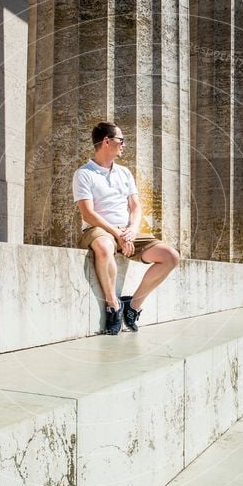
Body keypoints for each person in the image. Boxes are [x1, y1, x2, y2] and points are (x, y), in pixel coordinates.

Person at [73, 121, 180, 334]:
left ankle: (132, 306)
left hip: (126, 231)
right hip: (99, 230)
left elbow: (135, 206)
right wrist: (118, 233)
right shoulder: (84, 174)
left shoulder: (124, 173)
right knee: (104, 248)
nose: (124, 145)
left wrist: (132, 229)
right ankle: (113, 305)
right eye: (121, 140)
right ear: (106, 141)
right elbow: (88, 214)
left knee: (171, 256)